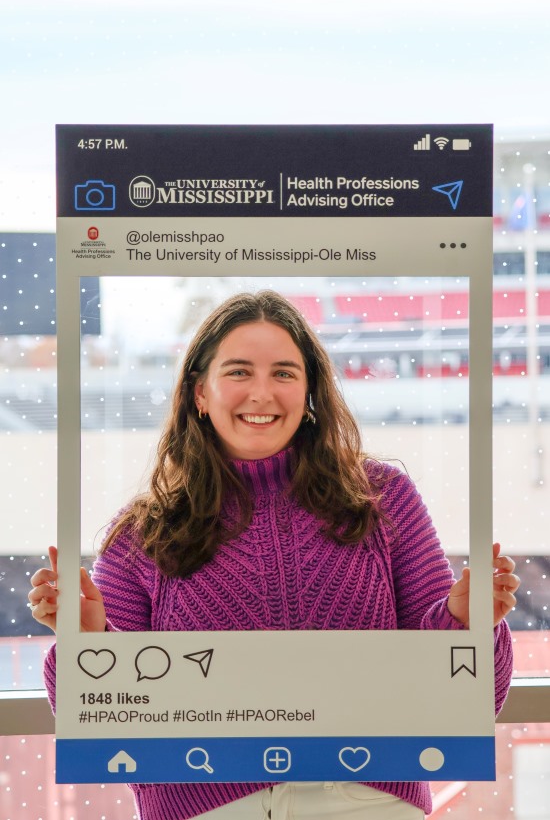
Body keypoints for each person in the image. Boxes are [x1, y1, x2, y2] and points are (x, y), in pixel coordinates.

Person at [29, 290, 520, 820]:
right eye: (239, 371)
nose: (262, 393)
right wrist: (85, 641)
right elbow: (97, 721)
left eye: (284, 373)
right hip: (203, 805)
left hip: (365, 799)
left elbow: (472, 696)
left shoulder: (384, 499)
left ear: (310, 392)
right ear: (200, 392)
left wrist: (471, 624)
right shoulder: (140, 533)